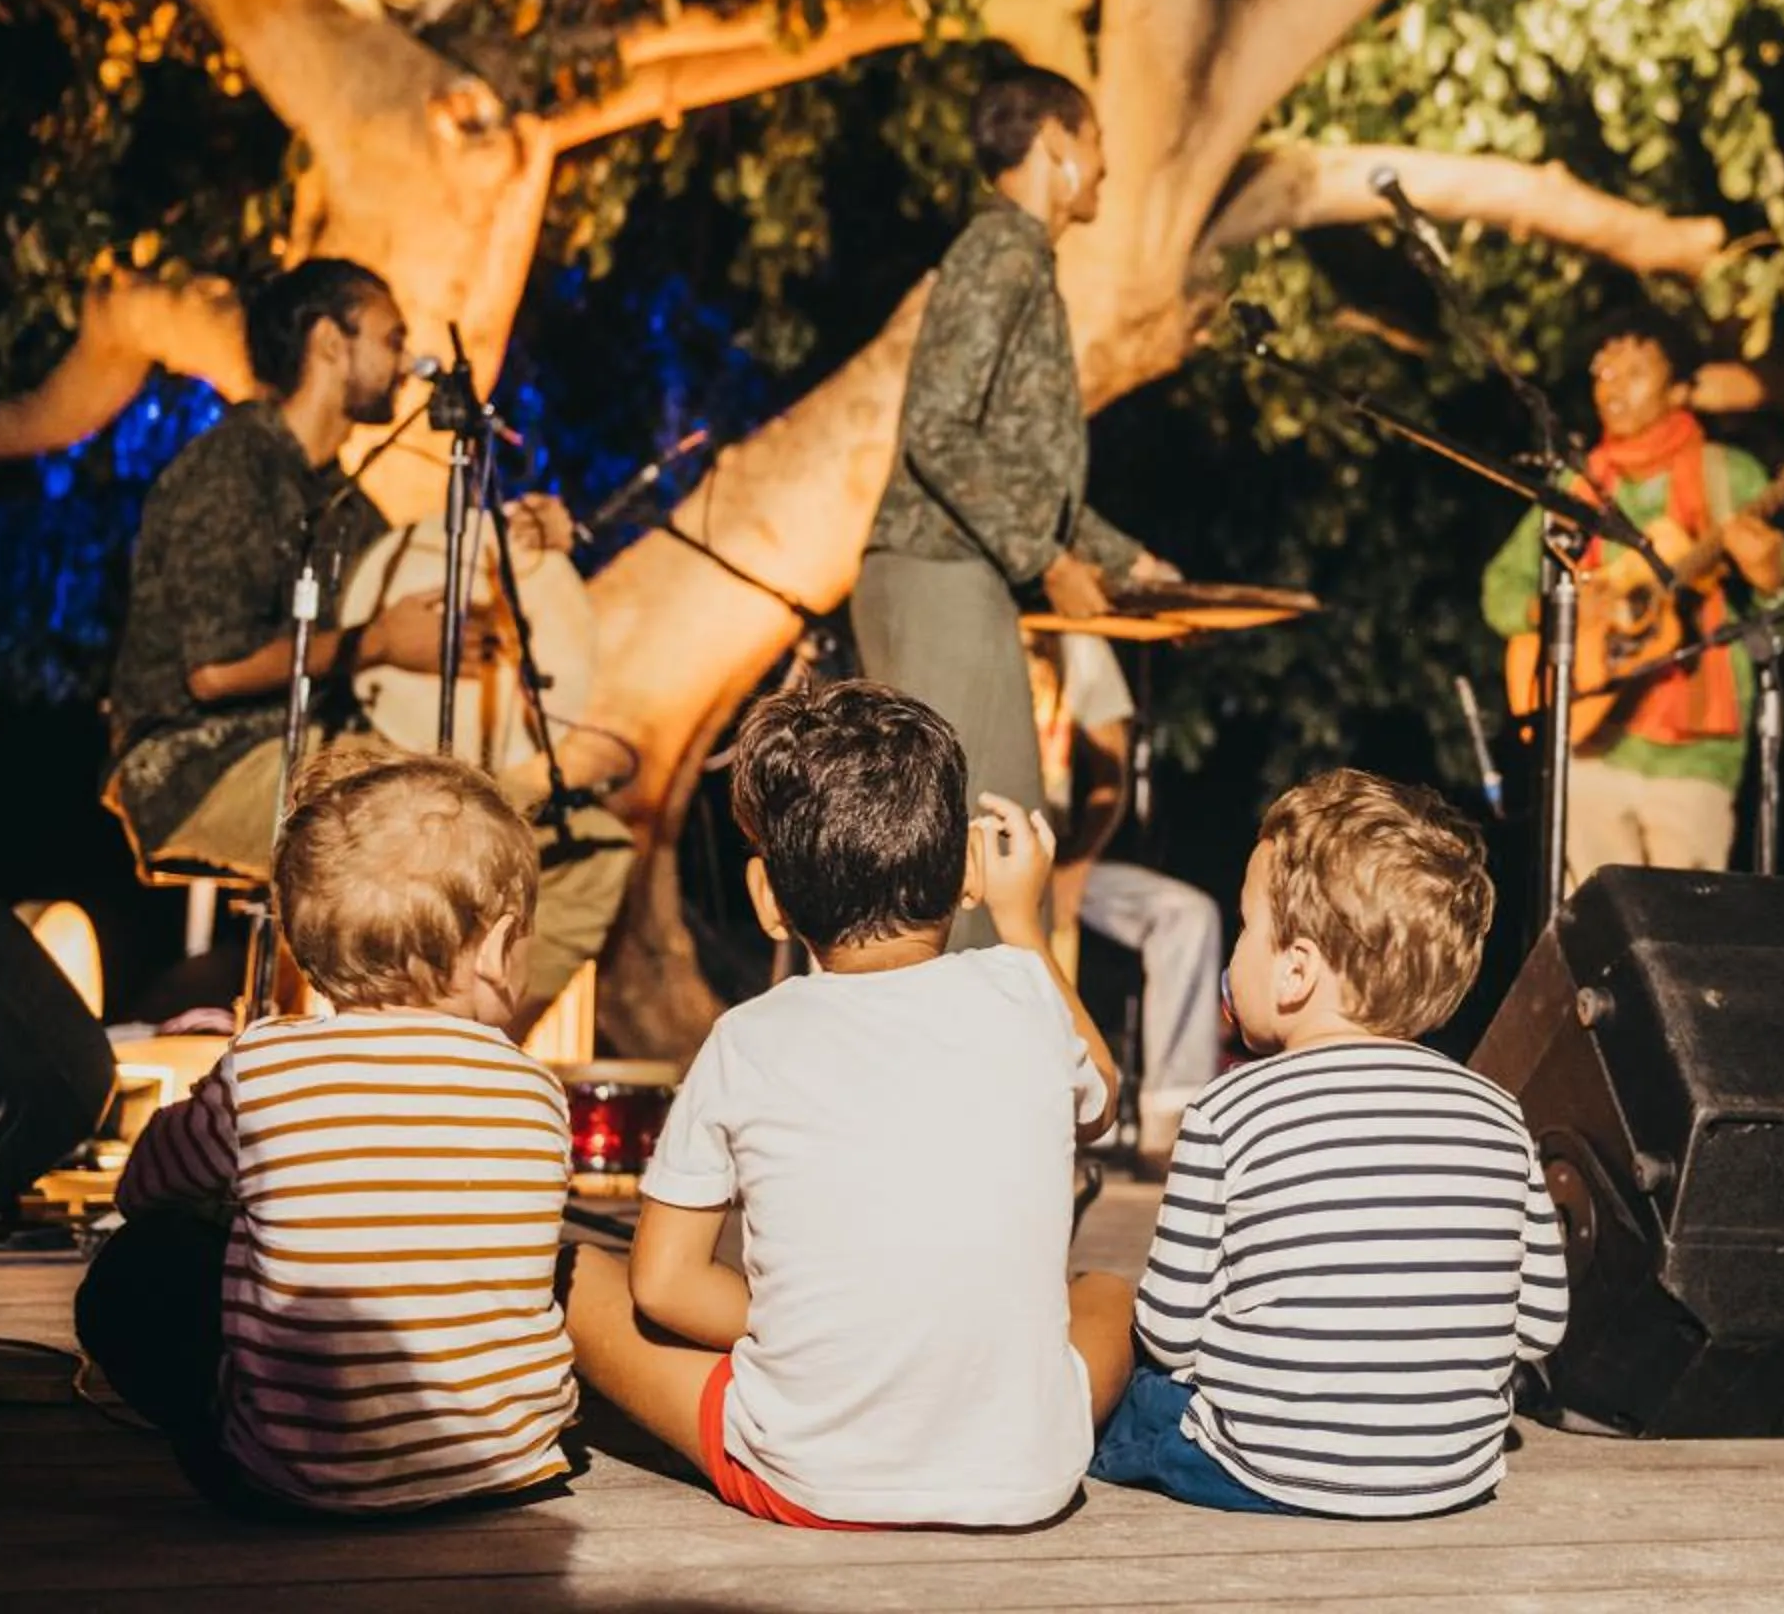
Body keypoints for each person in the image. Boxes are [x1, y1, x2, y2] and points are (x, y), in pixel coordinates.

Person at [562, 680, 1136, 1529]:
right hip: (1028, 1467)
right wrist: (1022, 922)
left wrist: (817, 1326)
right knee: (1107, 1295)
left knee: (580, 1279)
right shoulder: (1025, 992)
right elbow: (1102, 1102)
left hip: (809, 1475)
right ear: (966, 873)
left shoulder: (747, 1038)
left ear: (767, 898)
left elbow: (664, 1287)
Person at [102, 255, 632, 1034]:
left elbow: (434, 606)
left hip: (327, 757)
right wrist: (376, 642)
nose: (406, 362)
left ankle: (459, 1059)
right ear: (328, 341)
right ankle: (419, 1058)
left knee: (588, 846)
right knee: (448, 829)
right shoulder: (230, 468)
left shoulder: (348, 508)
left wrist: (529, 544)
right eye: (389, 338)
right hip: (198, 764)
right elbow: (211, 671)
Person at [73, 746, 580, 1513]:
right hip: (511, 1467)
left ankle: (255, 1430)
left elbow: (145, 1187)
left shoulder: (263, 1067)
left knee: (137, 1269)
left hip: (299, 1484)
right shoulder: (535, 1089)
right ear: (494, 946)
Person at [1094, 768, 1569, 1517]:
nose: (1236, 945)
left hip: (1258, 1466)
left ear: (1295, 971)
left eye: (1246, 924)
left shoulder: (1228, 1107)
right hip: (1451, 1476)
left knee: (1123, 1375)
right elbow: (1541, 1325)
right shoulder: (1499, 1111)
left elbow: (1168, 1330)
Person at [855, 67, 1177, 946]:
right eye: (1099, 142)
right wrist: (1049, 562)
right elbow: (937, 432)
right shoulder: (1002, 251)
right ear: (1057, 143)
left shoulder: (1014, 257)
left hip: (949, 574)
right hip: (942, 580)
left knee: (969, 855)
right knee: (983, 862)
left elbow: (1009, 466)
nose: (1107, 166)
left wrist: (1120, 559)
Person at [1480, 304, 1784, 881]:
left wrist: (1771, 580)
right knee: (1595, 944)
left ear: (1680, 388)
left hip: (1695, 755)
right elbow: (1500, 588)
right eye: (1603, 374)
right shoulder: (1578, 484)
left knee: (1686, 937)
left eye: (1634, 371)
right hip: (1590, 738)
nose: (1613, 388)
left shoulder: (1729, 476)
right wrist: (1571, 610)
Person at [1029, 630, 1225, 1142]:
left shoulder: (1075, 644)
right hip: (960, 852)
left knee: (1188, 914)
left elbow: (1111, 769)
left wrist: (1076, 862)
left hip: (1052, 851)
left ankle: (1172, 1126)